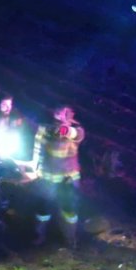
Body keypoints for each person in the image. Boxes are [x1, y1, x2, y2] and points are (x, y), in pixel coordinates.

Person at [27, 105, 85, 248]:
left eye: (65, 112)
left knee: (69, 210)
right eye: (59, 111)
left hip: (68, 179)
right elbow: (38, 149)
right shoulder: (44, 128)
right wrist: (35, 167)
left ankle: (70, 239)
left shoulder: (78, 130)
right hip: (47, 177)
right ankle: (39, 236)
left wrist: (66, 124)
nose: (60, 114)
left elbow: (67, 132)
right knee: (43, 209)